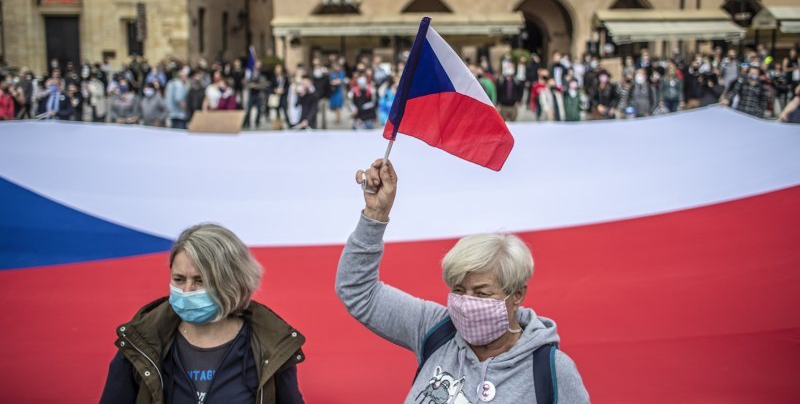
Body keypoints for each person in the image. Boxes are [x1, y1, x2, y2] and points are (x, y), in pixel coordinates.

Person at [336, 160, 589, 404]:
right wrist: (375, 214)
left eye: (481, 293)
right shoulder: (435, 328)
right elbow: (359, 290)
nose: (467, 304)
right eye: (459, 290)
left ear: (518, 295)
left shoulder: (551, 370)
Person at [99, 223, 305, 404]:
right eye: (179, 279)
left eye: (200, 280)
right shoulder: (140, 341)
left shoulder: (271, 347)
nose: (187, 291)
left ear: (232, 283)